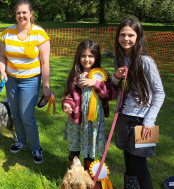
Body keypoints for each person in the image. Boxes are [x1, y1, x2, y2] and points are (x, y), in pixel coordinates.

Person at [112, 18, 165, 189]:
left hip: (143, 121)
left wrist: (149, 121)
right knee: (128, 161)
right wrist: (116, 77)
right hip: (123, 117)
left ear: (138, 36)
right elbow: (115, 86)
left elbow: (160, 93)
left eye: (130, 35)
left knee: (139, 166)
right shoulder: (119, 58)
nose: (126, 39)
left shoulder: (146, 61)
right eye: (122, 34)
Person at [0, 0, 50, 164]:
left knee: (27, 116)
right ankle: (20, 140)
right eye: (18, 13)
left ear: (31, 14)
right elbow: (1, 57)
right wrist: (2, 72)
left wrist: (46, 85)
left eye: (24, 12)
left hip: (31, 80)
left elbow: (45, 63)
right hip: (11, 79)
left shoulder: (40, 34)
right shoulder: (6, 33)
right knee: (16, 113)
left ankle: (36, 148)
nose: (21, 15)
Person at [61, 40, 117, 187]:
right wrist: (67, 105)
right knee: (74, 149)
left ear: (96, 57)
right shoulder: (75, 75)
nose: (87, 59)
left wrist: (96, 84)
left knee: (89, 153)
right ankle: (72, 178)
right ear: (79, 56)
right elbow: (68, 96)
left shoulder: (101, 75)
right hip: (76, 121)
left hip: (93, 123)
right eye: (84, 55)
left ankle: (88, 180)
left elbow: (112, 94)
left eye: (91, 56)